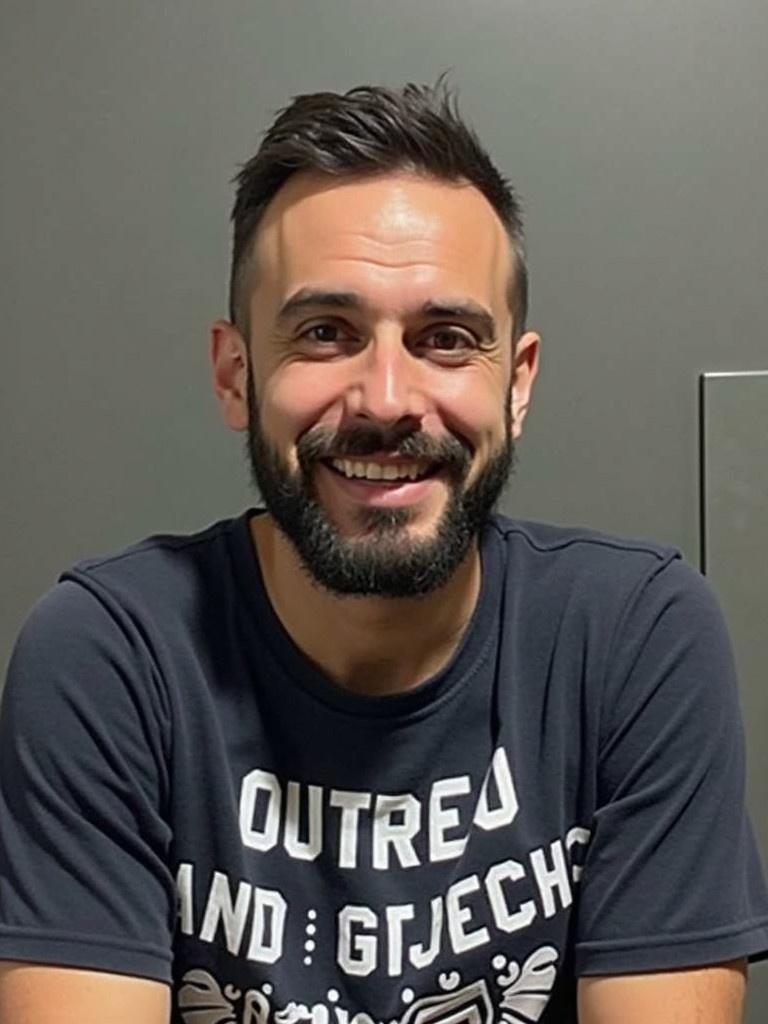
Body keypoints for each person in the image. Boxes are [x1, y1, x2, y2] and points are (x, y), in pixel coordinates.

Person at [1, 77, 767, 1024]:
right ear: (237, 373)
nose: (387, 399)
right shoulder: (110, 656)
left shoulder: (635, 640)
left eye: (447, 339)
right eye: (327, 333)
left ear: (516, 386)